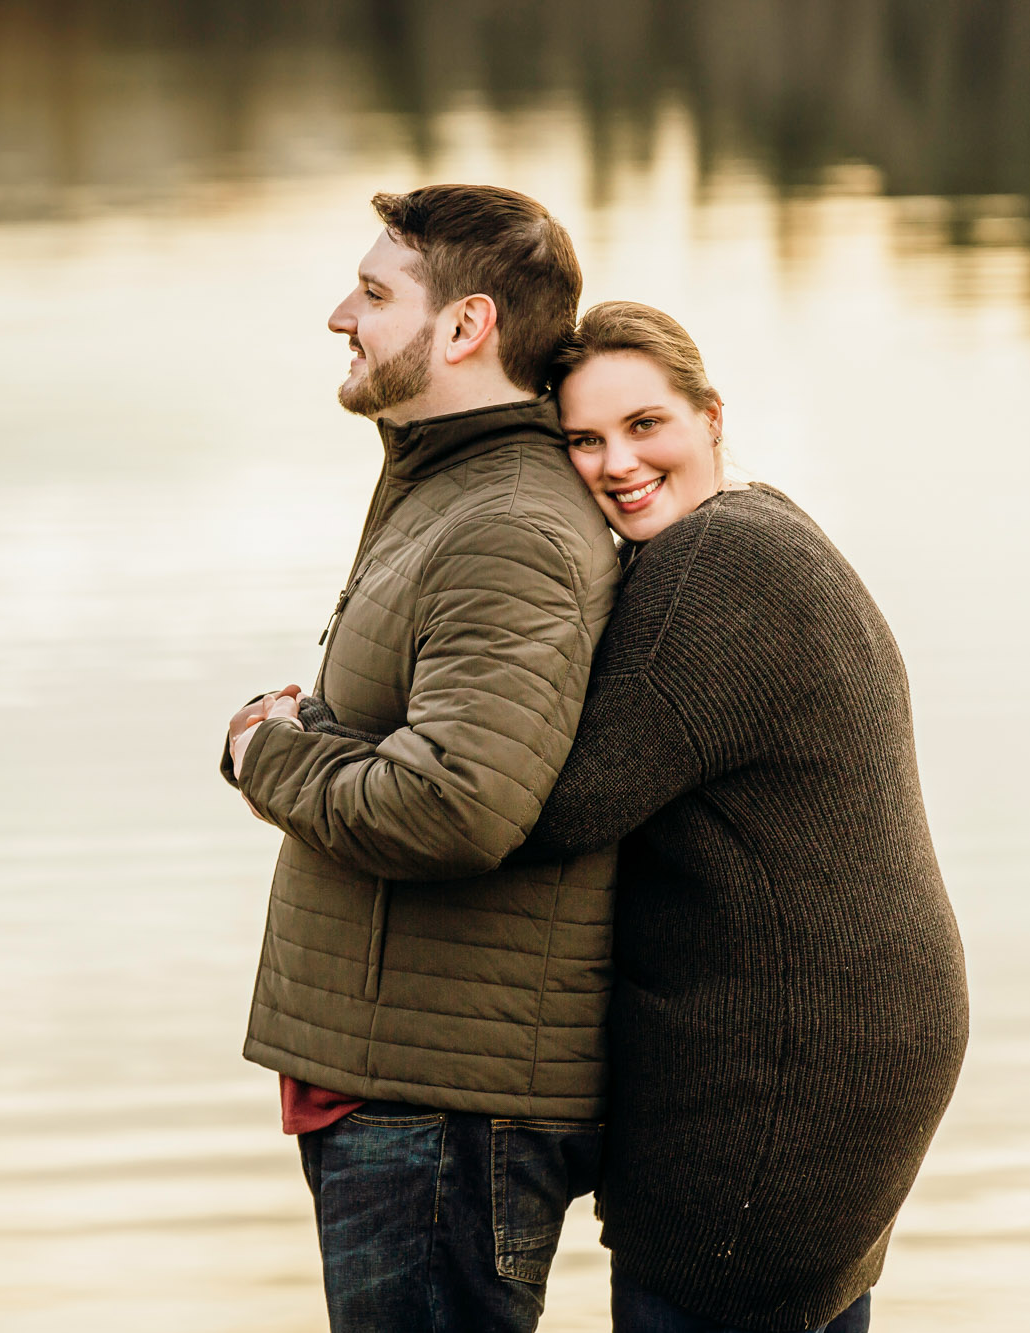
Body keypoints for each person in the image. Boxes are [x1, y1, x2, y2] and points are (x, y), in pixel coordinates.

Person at [265, 300, 971, 1332]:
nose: (614, 463)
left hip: (775, 1084)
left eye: (645, 425)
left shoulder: (714, 570)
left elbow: (529, 810)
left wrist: (285, 745)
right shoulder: (762, 526)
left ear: (710, 417)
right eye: (582, 440)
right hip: (841, 1061)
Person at [219, 186, 623, 1333]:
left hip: (439, 1110)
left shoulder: (507, 529)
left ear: (464, 328)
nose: (339, 314)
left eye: (375, 292)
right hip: (400, 1087)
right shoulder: (444, 486)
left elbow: (453, 806)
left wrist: (263, 753)